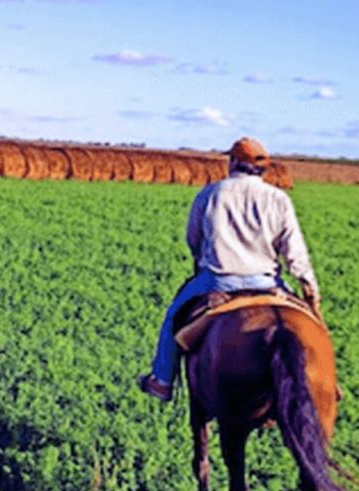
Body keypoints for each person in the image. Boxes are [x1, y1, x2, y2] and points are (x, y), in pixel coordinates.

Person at [138, 137, 322, 401]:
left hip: (218, 281)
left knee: (173, 316)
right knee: (310, 326)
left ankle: (162, 380)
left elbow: (194, 238)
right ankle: (325, 386)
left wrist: (203, 257)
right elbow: (294, 251)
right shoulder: (278, 199)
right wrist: (309, 285)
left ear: (234, 162)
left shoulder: (212, 193)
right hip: (267, 283)